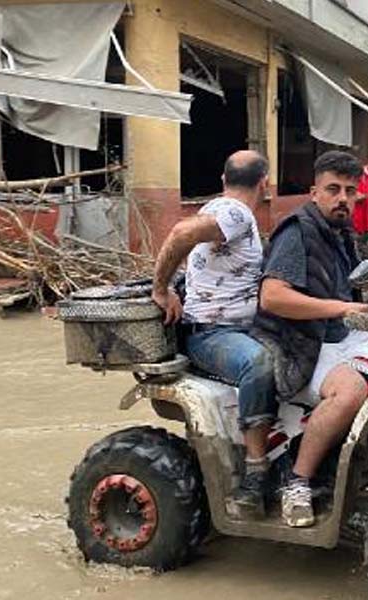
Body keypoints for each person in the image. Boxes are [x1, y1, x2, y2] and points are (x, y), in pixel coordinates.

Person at [254, 151, 368, 527]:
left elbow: (361, 276)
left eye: (350, 191)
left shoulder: (339, 232)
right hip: (300, 343)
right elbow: (272, 296)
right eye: (333, 189)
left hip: (339, 336)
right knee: (349, 391)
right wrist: (340, 308)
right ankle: (297, 482)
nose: (343, 199)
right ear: (314, 192)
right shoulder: (297, 231)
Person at [151, 150, 275, 511]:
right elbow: (181, 232)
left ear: (223, 179)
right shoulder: (235, 212)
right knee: (259, 363)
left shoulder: (221, 209)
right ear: (265, 184)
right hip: (212, 334)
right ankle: (256, 470)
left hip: (233, 330)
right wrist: (161, 288)